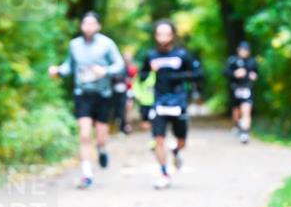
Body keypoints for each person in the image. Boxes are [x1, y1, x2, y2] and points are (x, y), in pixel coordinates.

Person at [48, 12, 125, 189]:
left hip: (103, 95)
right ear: (81, 26)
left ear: (98, 26)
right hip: (82, 94)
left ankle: (102, 149)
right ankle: (87, 174)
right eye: (85, 23)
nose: (88, 27)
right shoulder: (74, 45)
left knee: (101, 136)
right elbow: (69, 66)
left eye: (92, 24)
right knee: (84, 135)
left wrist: (105, 71)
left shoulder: (107, 44)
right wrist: (58, 70)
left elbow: (119, 65)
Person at [138, 20, 203, 189]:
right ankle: (164, 173)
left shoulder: (182, 54)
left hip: (178, 101)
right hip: (159, 102)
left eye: (166, 34)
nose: (163, 37)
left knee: (181, 140)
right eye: (159, 34)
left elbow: (198, 74)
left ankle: (176, 151)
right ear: (155, 36)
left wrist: (178, 76)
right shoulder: (150, 55)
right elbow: (142, 77)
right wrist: (150, 71)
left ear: (173, 35)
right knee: (158, 139)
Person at [225, 40, 258, 144]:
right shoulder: (232, 60)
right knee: (236, 112)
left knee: (246, 110)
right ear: (238, 50)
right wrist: (235, 74)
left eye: (246, 50)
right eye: (242, 50)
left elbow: (256, 73)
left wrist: (253, 76)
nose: (244, 52)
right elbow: (225, 72)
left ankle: (245, 133)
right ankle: (237, 125)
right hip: (235, 89)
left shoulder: (252, 61)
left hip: (247, 88)